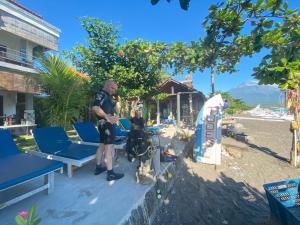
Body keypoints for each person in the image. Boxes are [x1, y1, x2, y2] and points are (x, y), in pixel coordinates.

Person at [92, 80, 124, 181]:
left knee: (101, 146)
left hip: (103, 125)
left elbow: (106, 110)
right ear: (106, 86)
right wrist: (107, 117)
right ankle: (110, 174)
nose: (113, 90)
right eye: (112, 88)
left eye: (115, 89)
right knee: (109, 149)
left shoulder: (107, 96)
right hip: (106, 125)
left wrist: (113, 117)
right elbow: (95, 108)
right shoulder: (101, 94)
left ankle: (98, 168)